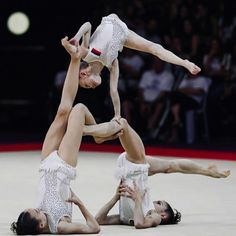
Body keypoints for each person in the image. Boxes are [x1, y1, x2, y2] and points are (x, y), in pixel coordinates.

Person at [10, 37, 123, 235]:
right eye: (36, 212)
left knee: (63, 110)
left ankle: (75, 57)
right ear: (42, 225)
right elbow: (93, 228)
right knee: (78, 109)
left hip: (46, 164)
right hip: (62, 166)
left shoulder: (37, 220)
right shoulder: (60, 226)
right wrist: (79, 203)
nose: (38, 208)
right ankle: (97, 133)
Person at [95, 117, 230, 229]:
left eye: (160, 203)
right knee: (171, 166)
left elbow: (102, 220)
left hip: (129, 168)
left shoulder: (146, 216)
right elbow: (140, 222)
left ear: (163, 215)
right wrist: (138, 200)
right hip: (137, 166)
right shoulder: (150, 211)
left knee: (122, 124)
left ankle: (92, 133)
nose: (155, 200)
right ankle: (207, 170)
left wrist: (116, 197)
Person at [68, 13, 201, 119]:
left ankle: (185, 62)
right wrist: (117, 115)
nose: (90, 88)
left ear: (83, 73)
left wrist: (76, 37)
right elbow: (113, 91)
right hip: (122, 36)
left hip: (111, 21)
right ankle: (185, 63)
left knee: (154, 48)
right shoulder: (112, 63)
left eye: (85, 85)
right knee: (154, 48)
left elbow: (88, 25)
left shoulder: (87, 54)